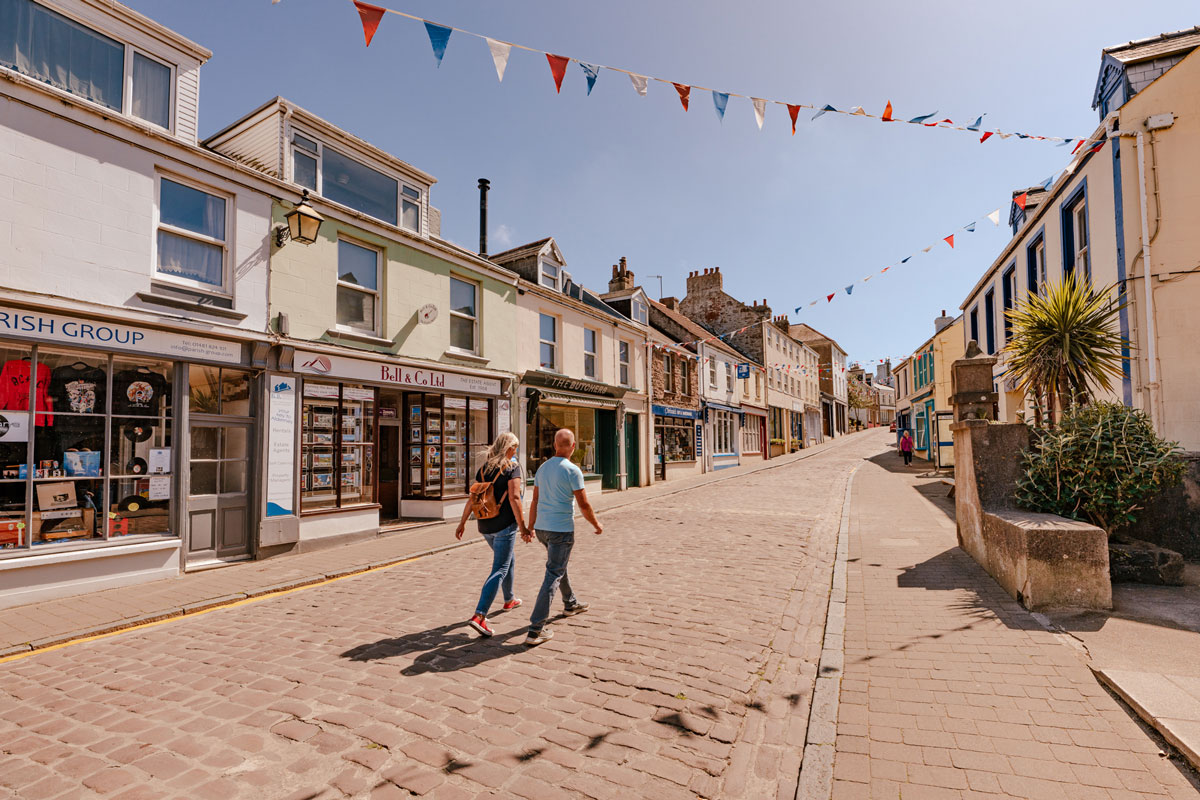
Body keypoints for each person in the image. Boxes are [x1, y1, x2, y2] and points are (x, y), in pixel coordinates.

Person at [524, 428, 603, 646]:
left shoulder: (542, 468)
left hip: (542, 529)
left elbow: (534, 501)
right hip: (560, 529)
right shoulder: (572, 470)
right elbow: (584, 504)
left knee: (558, 566)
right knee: (553, 573)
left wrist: (530, 527)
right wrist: (596, 524)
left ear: (555, 446)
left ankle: (570, 603)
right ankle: (536, 628)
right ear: (573, 447)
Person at [455, 431, 527, 637]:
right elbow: (514, 498)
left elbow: (472, 498)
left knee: (508, 559)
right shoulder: (511, 468)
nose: (516, 451)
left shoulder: (484, 469)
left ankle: (509, 599)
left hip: (485, 525)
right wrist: (523, 527)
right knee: (500, 568)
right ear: (509, 448)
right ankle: (479, 615)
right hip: (505, 525)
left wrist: (462, 523)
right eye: (515, 447)